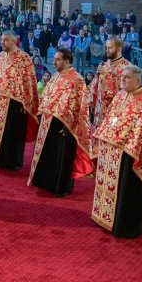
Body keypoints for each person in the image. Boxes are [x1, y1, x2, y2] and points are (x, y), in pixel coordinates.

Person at [90, 65, 142, 239]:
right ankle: (104, 217)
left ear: (138, 80)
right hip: (112, 149)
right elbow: (110, 118)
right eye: (122, 77)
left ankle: (123, 226)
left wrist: (128, 145)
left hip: (131, 155)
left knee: (127, 191)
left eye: (127, 77)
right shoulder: (120, 95)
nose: (122, 80)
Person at [28, 48, 94, 196]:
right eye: (55, 59)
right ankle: (45, 182)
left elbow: (80, 107)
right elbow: (46, 96)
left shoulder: (77, 79)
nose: (54, 61)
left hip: (65, 126)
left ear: (67, 61)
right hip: (48, 121)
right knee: (48, 154)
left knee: (62, 157)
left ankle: (60, 187)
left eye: (58, 59)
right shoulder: (56, 76)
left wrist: (67, 126)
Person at [0, 31, 38, 171]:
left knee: (13, 132)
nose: (2, 43)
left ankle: (12, 162)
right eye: (2, 40)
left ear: (13, 41)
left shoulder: (24, 58)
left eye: (5, 40)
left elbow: (30, 81)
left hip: (15, 101)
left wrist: (27, 102)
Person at [88, 37, 125, 132]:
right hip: (98, 111)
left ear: (119, 49)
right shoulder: (105, 64)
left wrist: (106, 75)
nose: (106, 51)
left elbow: (122, 95)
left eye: (110, 48)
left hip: (113, 114)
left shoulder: (126, 69)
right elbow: (95, 86)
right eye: (106, 48)